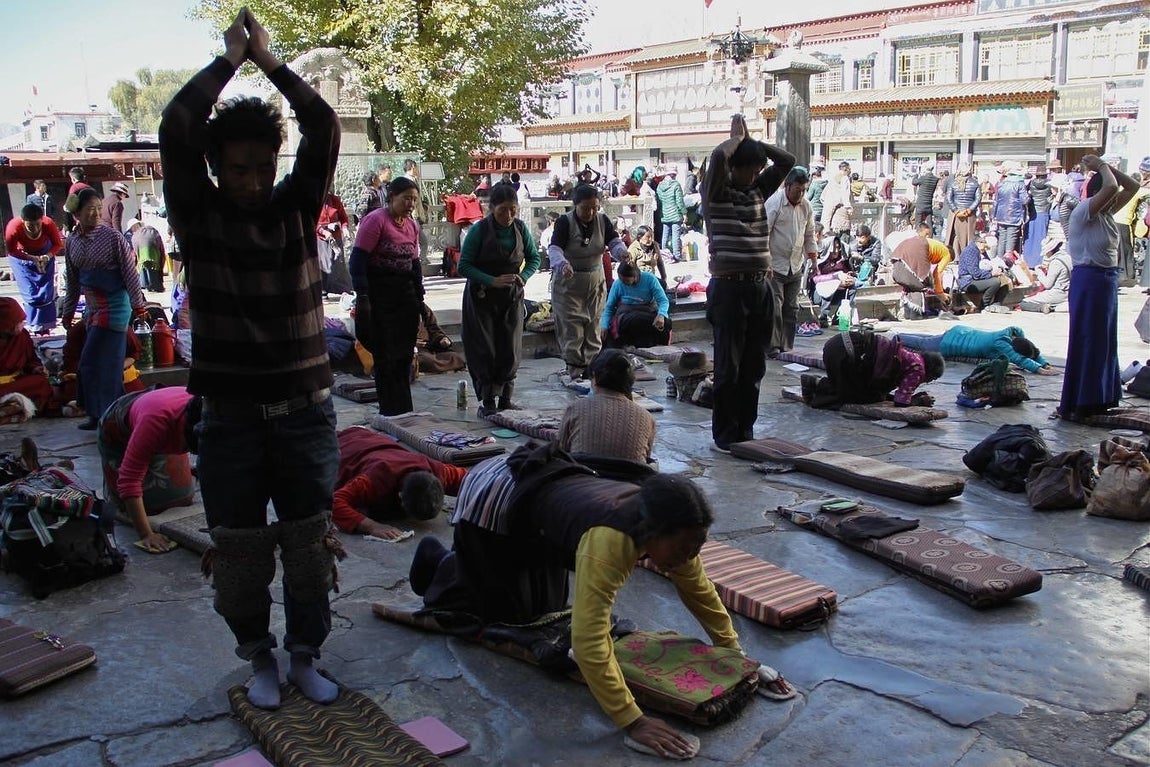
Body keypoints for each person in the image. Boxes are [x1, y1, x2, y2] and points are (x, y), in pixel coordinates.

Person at [160, 8, 343, 709]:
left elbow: (322, 126)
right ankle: (259, 657)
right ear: (215, 169)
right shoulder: (197, 215)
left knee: (309, 548)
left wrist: (271, 62)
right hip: (231, 419)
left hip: (306, 416)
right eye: (238, 169)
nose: (253, 179)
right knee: (238, 556)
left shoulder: (296, 206)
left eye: (264, 166)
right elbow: (177, 125)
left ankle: (304, 655)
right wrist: (230, 59)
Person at [410, 446, 785, 759]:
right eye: (684, 548)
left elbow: (699, 590)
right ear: (652, 533)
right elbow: (588, 642)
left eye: (697, 547)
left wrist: (734, 656)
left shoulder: (676, 532)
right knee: (496, 612)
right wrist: (633, 721)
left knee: (542, 609)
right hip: (494, 489)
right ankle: (436, 560)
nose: (689, 557)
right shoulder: (612, 541)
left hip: (542, 500)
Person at [703, 114, 794, 452]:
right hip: (729, 287)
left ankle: (745, 431)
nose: (755, 176)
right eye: (749, 170)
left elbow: (787, 161)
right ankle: (725, 435)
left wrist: (756, 144)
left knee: (754, 365)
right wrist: (738, 141)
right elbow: (717, 157)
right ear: (734, 167)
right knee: (729, 365)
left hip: (760, 287)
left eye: (758, 170)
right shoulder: (715, 193)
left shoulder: (758, 189)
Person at [1058, 155, 1141, 421]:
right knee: (1089, 340)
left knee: (1104, 342)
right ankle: (1084, 400)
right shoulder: (1085, 210)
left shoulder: (1105, 213)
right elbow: (1111, 187)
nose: (1113, 198)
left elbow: (1132, 187)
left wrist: (1107, 166)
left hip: (1106, 281)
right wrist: (1101, 167)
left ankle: (1102, 396)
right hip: (1090, 280)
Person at [61, 188, 147, 430]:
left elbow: (129, 274)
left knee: (98, 362)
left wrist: (138, 305)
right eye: (90, 209)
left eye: (99, 209)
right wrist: (68, 311)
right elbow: (73, 282)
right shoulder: (72, 242)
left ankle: (109, 416)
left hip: (115, 307)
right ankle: (97, 414)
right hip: (92, 309)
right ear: (77, 213)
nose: (96, 214)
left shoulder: (113, 237)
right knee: (93, 363)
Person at [458, 182, 541, 414]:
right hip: (481, 296)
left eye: (513, 210)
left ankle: (505, 399)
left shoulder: (520, 229)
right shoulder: (479, 231)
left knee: (510, 348)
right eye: (503, 210)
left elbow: (534, 258)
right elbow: (463, 265)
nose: (509, 215)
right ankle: (487, 402)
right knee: (484, 348)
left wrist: (524, 276)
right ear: (491, 208)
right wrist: (491, 280)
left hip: (511, 296)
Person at [350, 176, 424, 415]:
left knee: (404, 355)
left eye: (414, 199)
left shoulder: (412, 225)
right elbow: (358, 260)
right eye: (406, 198)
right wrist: (363, 296)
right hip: (380, 295)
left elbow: (415, 264)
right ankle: (390, 411)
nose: (411, 204)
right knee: (386, 356)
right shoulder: (376, 221)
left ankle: (405, 410)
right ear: (391, 197)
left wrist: (420, 298)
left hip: (405, 296)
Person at [97, 387, 200, 553]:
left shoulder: (214, 415)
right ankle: (112, 487)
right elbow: (129, 480)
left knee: (182, 498)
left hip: (158, 414)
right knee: (150, 506)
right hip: (119, 428)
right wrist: (146, 534)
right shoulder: (156, 423)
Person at [547, 184, 628, 379]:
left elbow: (614, 242)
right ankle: (575, 370)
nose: (591, 212)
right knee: (572, 329)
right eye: (585, 208)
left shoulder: (602, 220)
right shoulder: (564, 222)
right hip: (569, 284)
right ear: (575, 205)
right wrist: (562, 264)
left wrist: (622, 253)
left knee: (593, 326)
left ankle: (592, 370)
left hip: (595, 283)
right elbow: (554, 249)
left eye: (595, 207)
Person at [332, 426, 467, 540]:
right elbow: (335, 502)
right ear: (400, 495)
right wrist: (372, 526)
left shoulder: (439, 471)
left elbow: (473, 479)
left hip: (369, 439)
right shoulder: (375, 479)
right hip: (341, 443)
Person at [557, 349, 656, 465]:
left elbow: (560, 453)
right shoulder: (646, 418)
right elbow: (646, 460)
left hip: (583, 475)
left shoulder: (575, 409)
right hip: (630, 476)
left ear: (595, 377)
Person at [805, 329, 944, 410]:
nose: (927, 382)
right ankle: (816, 382)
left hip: (837, 345)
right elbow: (901, 401)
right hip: (847, 353)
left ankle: (815, 382)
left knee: (856, 389)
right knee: (856, 397)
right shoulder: (918, 369)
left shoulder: (912, 357)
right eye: (931, 379)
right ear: (930, 372)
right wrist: (918, 401)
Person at [765, 166, 817, 356]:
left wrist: (813, 260)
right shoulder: (774, 203)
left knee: (792, 308)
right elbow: (764, 233)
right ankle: (773, 346)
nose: (800, 194)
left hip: (795, 264)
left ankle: (786, 346)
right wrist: (765, 262)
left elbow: (809, 234)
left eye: (804, 190)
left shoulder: (806, 206)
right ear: (787, 186)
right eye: (797, 190)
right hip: (775, 264)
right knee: (775, 307)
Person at [898, 325, 1058, 375]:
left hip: (960, 332)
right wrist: (1039, 369)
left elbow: (1031, 349)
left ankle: (903, 335)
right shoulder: (1001, 345)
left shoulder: (1013, 334)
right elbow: (1020, 359)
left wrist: (1045, 363)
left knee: (930, 340)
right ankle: (898, 337)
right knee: (923, 344)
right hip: (953, 343)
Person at [5, 203, 63, 335]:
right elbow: (12, 250)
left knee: (45, 292)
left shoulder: (48, 223)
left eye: (38, 224)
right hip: (21, 257)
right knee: (31, 293)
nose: (35, 228)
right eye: (30, 225)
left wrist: (47, 256)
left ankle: (46, 326)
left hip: (45, 254)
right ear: (23, 221)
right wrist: (30, 258)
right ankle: (33, 325)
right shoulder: (13, 227)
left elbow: (57, 244)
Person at [601, 262, 671, 349]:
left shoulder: (649, 279)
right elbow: (609, 307)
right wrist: (604, 325)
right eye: (621, 279)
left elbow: (663, 301)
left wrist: (661, 314)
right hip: (627, 315)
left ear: (635, 276)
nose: (623, 282)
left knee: (665, 323)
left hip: (647, 310)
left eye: (626, 281)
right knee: (636, 319)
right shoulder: (618, 284)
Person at [0, 297, 52, 411]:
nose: (22, 324)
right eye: (18, 322)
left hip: (16, 381)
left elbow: (30, 360)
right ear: (5, 323)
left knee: (40, 382)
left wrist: (35, 368)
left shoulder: (22, 336)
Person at [892, 222, 953, 296]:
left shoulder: (932, 246)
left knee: (913, 280)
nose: (928, 236)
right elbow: (937, 273)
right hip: (915, 254)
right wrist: (940, 293)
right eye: (948, 262)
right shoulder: (946, 254)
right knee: (922, 283)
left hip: (898, 256)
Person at [955, 235, 1009, 311]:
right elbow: (975, 273)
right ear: (980, 243)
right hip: (967, 282)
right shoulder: (971, 251)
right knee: (995, 282)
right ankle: (984, 305)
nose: (986, 249)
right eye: (986, 247)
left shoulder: (977, 250)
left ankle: (995, 305)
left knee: (1004, 284)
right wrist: (991, 274)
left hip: (974, 279)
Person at [317, 188, 352, 296]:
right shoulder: (314, 201)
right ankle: (323, 290)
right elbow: (310, 222)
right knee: (324, 264)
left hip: (336, 238)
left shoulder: (335, 200)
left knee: (338, 264)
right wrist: (323, 231)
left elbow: (343, 218)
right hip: (322, 239)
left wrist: (345, 229)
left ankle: (340, 289)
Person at [1020, 242, 1071, 313]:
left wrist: (1039, 272)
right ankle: (1055, 306)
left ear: (1050, 251)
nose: (1046, 255)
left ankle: (1042, 308)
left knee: (1024, 303)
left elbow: (1048, 285)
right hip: (1069, 292)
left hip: (1057, 293)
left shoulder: (1056, 262)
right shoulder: (1068, 258)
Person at [992, 162, 1030, 257]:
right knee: (1011, 238)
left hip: (1001, 215)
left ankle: (999, 259)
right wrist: (1029, 195)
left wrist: (994, 215)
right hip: (1014, 215)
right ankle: (1007, 261)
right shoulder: (1019, 184)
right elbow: (1025, 200)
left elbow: (996, 201)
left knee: (1002, 238)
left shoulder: (1002, 183)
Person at [945, 166, 982, 257]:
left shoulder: (954, 183)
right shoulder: (975, 183)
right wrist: (970, 209)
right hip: (969, 214)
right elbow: (978, 198)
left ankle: (955, 256)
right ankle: (967, 255)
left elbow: (948, 198)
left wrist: (956, 211)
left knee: (955, 235)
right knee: (969, 236)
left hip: (955, 213)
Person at [1022, 167, 1054, 267]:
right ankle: (1039, 261)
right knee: (1042, 237)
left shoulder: (1031, 184)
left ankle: (1028, 260)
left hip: (1033, 212)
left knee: (1030, 236)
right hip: (1044, 211)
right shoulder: (1049, 184)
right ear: (1045, 175)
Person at [656, 165, 686, 262]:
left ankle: (664, 255)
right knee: (675, 236)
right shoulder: (676, 185)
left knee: (665, 235)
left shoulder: (660, 186)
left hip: (665, 213)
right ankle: (677, 256)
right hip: (675, 214)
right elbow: (679, 201)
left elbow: (659, 201)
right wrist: (684, 213)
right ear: (674, 175)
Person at [132, 221, 167, 293]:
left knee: (144, 266)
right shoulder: (153, 231)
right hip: (154, 252)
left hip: (141, 254)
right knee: (153, 266)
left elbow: (134, 251)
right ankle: (155, 285)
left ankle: (146, 285)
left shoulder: (136, 235)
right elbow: (161, 246)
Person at [912, 162, 939, 231]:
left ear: (926, 169)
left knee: (918, 223)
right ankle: (930, 236)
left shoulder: (923, 178)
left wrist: (916, 174)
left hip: (920, 203)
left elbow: (914, 182)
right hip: (929, 203)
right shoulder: (935, 179)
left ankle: (918, 235)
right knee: (929, 223)